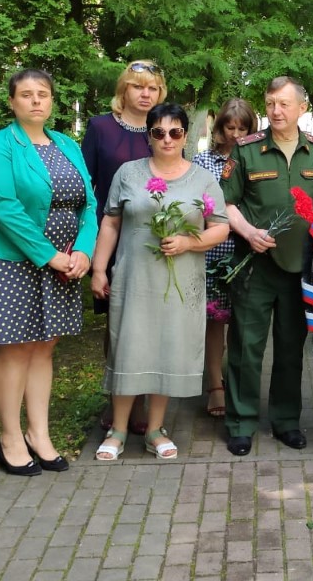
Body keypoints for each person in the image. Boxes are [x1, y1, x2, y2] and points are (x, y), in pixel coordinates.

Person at [0, 69, 98, 476]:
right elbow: (3, 206)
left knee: (44, 346)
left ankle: (38, 434)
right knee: (15, 348)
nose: (36, 100)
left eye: (43, 93)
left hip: (64, 262)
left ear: (52, 100)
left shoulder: (66, 144)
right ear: (11, 102)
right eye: (26, 94)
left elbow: (90, 204)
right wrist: (49, 256)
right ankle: (9, 438)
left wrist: (83, 250)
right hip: (14, 260)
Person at [91, 103, 230, 461]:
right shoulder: (128, 173)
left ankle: (155, 429)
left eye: (175, 132)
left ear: (185, 135)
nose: (167, 139)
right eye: (159, 132)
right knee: (129, 348)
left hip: (179, 281)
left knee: (167, 348)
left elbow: (220, 226)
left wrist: (188, 243)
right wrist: (99, 269)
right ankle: (118, 429)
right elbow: (110, 222)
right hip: (134, 278)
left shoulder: (202, 179)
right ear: (149, 136)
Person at [220, 77, 313, 456]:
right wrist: (248, 232)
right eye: (270, 104)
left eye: (284, 104)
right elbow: (226, 203)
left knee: (289, 348)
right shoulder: (247, 150)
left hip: (301, 267)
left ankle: (286, 420)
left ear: (302, 108)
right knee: (245, 347)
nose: (276, 111)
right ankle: (240, 423)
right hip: (255, 264)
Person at [82, 59, 167, 434]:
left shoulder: (163, 130)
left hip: (156, 238)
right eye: (138, 86)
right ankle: (117, 396)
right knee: (118, 322)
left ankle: (144, 401)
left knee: (152, 320)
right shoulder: (101, 127)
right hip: (112, 236)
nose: (145, 93)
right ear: (124, 90)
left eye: (152, 88)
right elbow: (85, 187)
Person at [192, 98, 257, 418]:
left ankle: (238, 383)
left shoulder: (256, 157)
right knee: (214, 321)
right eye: (230, 127)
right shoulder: (203, 161)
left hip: (246, 251)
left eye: (242, 128)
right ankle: (215, 385)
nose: (235, 134)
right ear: (219, 127)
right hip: (213, 252)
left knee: (243, 323)